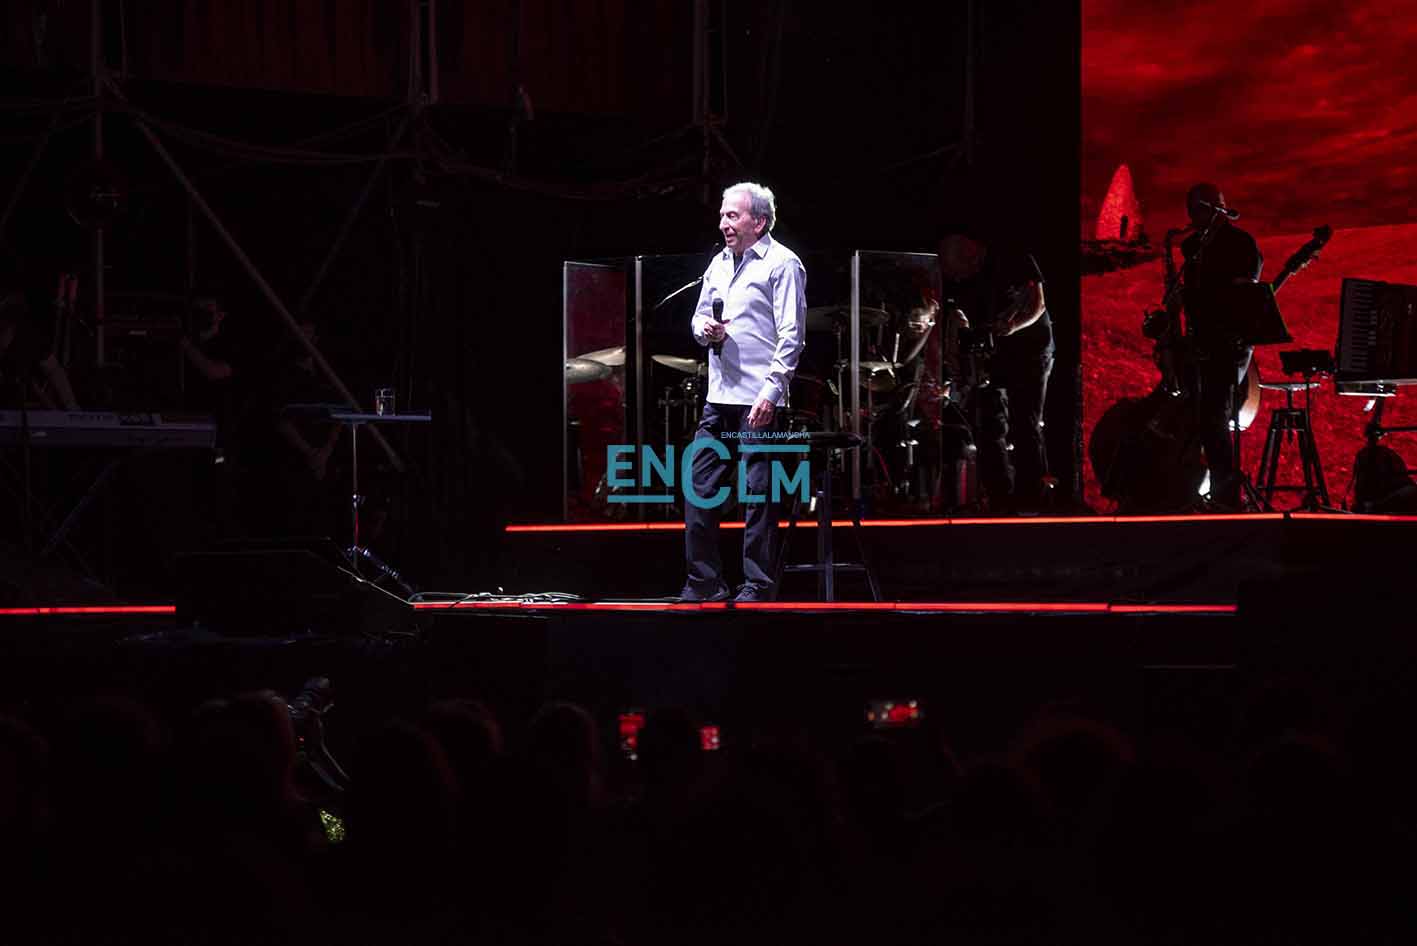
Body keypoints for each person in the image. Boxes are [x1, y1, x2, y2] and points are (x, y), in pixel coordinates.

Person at [680, 182, 806, 602]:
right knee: (698, 486)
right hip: (718, 397)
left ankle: (758, 586)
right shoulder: (718, 263)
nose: (723, 223)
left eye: (732, 215)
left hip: (758, 400)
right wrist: (705, 329)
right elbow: (698, 319)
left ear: (760, 221)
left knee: (758, 497)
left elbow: (792, 335)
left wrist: (771, 392)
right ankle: (705, 582)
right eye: (722, 215)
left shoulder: (783, 264)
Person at [938, 229, 1052, 512]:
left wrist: (1012, 326)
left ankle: (1031, 497)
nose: (960, 279)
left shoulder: (1014, 257)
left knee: (1025, 422)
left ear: (970, 253)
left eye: (960, 272)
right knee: (988, 422)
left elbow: (1038, 304)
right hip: (994, 354)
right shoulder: (968, 278)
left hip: (1030, 351)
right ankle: (1000, 497)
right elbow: (959, 316)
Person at [1177, 182, 1262, 510]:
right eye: (1190, 210)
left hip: (1228, 344)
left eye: (1197, 209)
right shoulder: (1192, 247)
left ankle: (1226, 498)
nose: (1192, 216)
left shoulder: (1240, 244)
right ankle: (1193, 490)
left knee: (1214, 418)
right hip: (1199, 342)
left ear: (1215, 208)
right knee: (1200, 418)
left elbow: (1244, 295)